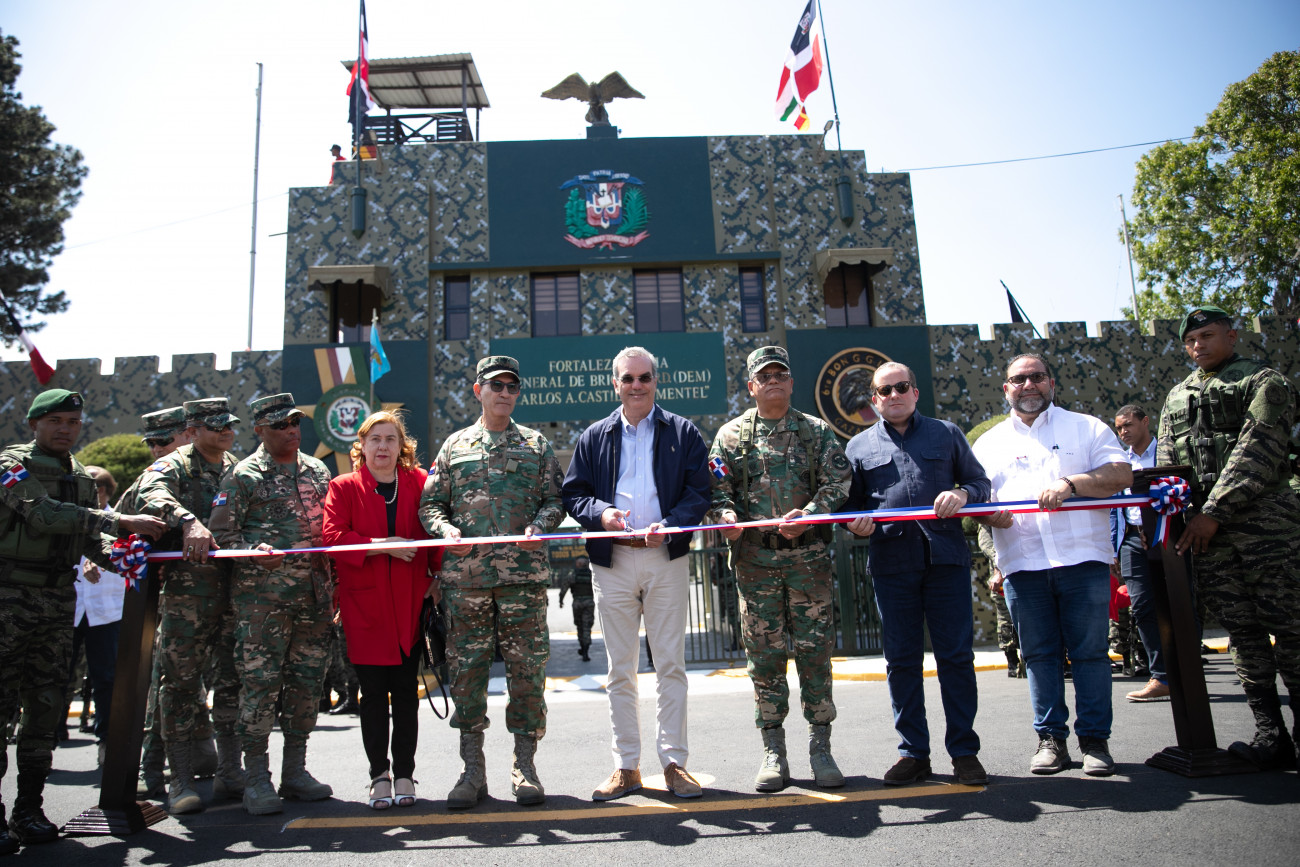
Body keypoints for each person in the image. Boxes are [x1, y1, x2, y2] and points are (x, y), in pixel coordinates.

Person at [0, 389, 165, 853]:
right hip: (9, 597)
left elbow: (91, 544)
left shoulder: (79, 477)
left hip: (58, 601)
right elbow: (43, 514)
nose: (65, 429)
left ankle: (28, 810)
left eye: (72, 421)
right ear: (34, 424)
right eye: (55, 420)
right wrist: (118, 522)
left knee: (46, 706)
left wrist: (132, 558)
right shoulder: (10, 465)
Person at [562, 346, 712, 801]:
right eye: (628, 378)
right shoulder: (594, 436)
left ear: (655, 381)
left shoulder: (683, 432)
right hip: (613, 562)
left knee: (670, 665)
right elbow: (574, 494)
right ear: (616, 384)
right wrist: (602, 514)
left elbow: (699, 492)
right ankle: (626, 766)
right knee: (619, 670)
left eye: (644, 377)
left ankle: (674, 764)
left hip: (665, 558)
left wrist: (670, 525)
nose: (637, 385)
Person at [971, 354, 1132, 777]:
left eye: (1037, 377)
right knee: (1039, 657)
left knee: (1090, 655)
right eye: (1019, 379)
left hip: (1082, 561)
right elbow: (976, 499)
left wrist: (1071, 483)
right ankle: (1051, 742)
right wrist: (989, 515)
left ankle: (1095, 742)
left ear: (1051, 383)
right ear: (1006, 388)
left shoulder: (1086, 427)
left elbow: (1121, 475)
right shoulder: (988, 443)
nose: (1028, 385)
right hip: (1023, 565)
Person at [419, 357, 565, 809]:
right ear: (477, 390)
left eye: (511, 386)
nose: (504, 392)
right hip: (467, 582)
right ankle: (472, 771)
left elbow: (555, 500)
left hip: (523, 579)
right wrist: (445, 531)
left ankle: (525, 767)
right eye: (495, 385)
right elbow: (430, 506)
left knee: (527, 673)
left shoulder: (536, 445)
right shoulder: (454, 446)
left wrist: (540, 525)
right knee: (467, 674)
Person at [1158, 305, 1300, 770]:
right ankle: (1270, 735)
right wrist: (1177, 515)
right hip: (1207, 537)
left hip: (1267, 526)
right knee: (1244, 634)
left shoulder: (1264, 382)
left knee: (1291, 629)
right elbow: (1167, 466)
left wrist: (1213, 512)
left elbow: (1258, 449)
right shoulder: (1177, 396)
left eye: (1207, 336)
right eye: (1191, 340)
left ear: (1232, 336)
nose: (1198, 346)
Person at [707, 345, 850, 791]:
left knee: (815, 653)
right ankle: (774, 751)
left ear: (790, 383)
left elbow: (839, 482)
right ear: (751, 386)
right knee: (764, 658)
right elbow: (715, 490)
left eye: (779, 375)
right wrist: (726, 517)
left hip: (808, 562)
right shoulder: (731, 436)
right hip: (756, 563)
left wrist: (811, 513)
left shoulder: (816, 432)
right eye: (764, 376)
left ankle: (821, 748)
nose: (772, 381)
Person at [844, 361, 992, 787]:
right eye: (884, 390)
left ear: (915, 392)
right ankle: (913, 754)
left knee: (956, 658)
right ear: (874, 399)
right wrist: (853, 524)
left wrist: (962, 493)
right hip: (892, 564)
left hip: (946, 561)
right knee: (902, 662)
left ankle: (964, 752)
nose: (894, 395)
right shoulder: (858, 447)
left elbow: (980, 484)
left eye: (901, 386)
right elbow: (847, 506)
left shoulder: (947, 433)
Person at [210, 393, 335, 815]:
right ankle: (256, 779)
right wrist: (251, 550)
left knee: (306, 687)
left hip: (314, 600)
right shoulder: (242, 476)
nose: (292, 430)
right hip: (263, 604)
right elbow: (221, 537)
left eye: (295, 422)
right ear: (260, 430)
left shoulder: (318, 470)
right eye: (281, 425)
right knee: (260, 687)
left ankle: (294, 772)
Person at [134, 398, 243, 815]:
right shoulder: (174, 465)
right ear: (193, 432)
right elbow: (150, 492)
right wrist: (187, 520)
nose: (226, 432)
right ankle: (179, 779)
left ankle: (230, 772)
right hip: (187, 597)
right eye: (216, 427)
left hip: (233, 593)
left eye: (228, 425)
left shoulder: (237, 467)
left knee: (232, 682)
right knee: (179, 685)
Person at [324, 410, 439, 810]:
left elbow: (434, 530)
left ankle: (405, 773)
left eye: (391, 439)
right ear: (362, 446)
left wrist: (438, 578)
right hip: (365, 608)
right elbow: (333, 537)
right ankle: (379, 775)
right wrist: (383, 545)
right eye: (375, 439)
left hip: (410, 605)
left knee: (406, 693)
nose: (383, 447)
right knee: (372, 695)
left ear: (402, 446)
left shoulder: (419, 483)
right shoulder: (343, 487)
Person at [116, 406, 196, 799]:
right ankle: (151, 765)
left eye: (163, 440)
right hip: (164, 600)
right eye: (151, 443)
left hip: (210, 595)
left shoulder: (214, 468)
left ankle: (204, 754)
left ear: (186, 435)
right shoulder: (152, 477)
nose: (156, 449)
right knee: (166, 682)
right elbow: (119, 522)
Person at [66, 467, 124, 770]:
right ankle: (47, 738)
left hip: (106, 612)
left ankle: (106, 740)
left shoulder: (120, 522)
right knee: (56, 675)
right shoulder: (70, 516)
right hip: (71, 609)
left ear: (102, 491)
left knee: (106, 679)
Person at [1112, 404, 1168, 702]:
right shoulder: (1121, 462)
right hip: (1131, 540)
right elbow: (1114, 507)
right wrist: (1113, 546)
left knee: (1180, 603)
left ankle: (1187, 671)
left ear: (1145, 421)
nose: (1124, 432)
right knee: (1142, 607)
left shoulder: (1167, 454)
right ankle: (1161, 676)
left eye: (1128, 425)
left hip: (1167, 535)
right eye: (1119, 428)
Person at [977, 524, 1023, 678]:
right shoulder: (989, 516)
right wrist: (1001, 557)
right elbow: (985, 541)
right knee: (1006, 618)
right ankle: (1012, 660)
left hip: (1029, 567)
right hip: (1002, 572)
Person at [559, 556, 596, 662]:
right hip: (589, 603)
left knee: (580, 626)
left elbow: (564, 588)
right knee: (587, 626)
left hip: (577, 603)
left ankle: (582, 647)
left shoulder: (573, 575)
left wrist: (560, 601)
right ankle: (586, 650)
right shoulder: (592, 575)